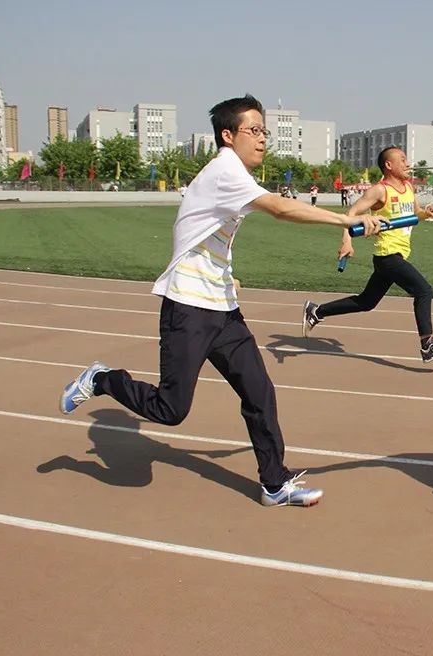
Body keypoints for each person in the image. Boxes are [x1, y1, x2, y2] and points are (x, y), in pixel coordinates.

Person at [58, 94, 384, 507]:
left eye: (265, 130)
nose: (263, 139)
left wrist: (227, 277)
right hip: (189, 309)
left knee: (259, 393)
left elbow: (203, 233)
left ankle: (274, 483)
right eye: (254, 130)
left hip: (224, 310)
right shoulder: (225, 171)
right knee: (170, 409)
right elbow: (280, 209)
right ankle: (101, 379)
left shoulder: (232, 175)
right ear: (228, 136)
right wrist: (346, 218)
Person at [301, 147, 433, 363]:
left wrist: (425, 214)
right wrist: (346, 241)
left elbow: (414, 215)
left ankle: (316, 311)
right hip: (387, 255)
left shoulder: (409, 187)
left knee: (367, 302)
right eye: (402, 160)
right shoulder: (379, 191)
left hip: (399, 253)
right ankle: (427, 344)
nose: (407, 163)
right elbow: (350, 215)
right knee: (424, 291)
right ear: (389, 165)